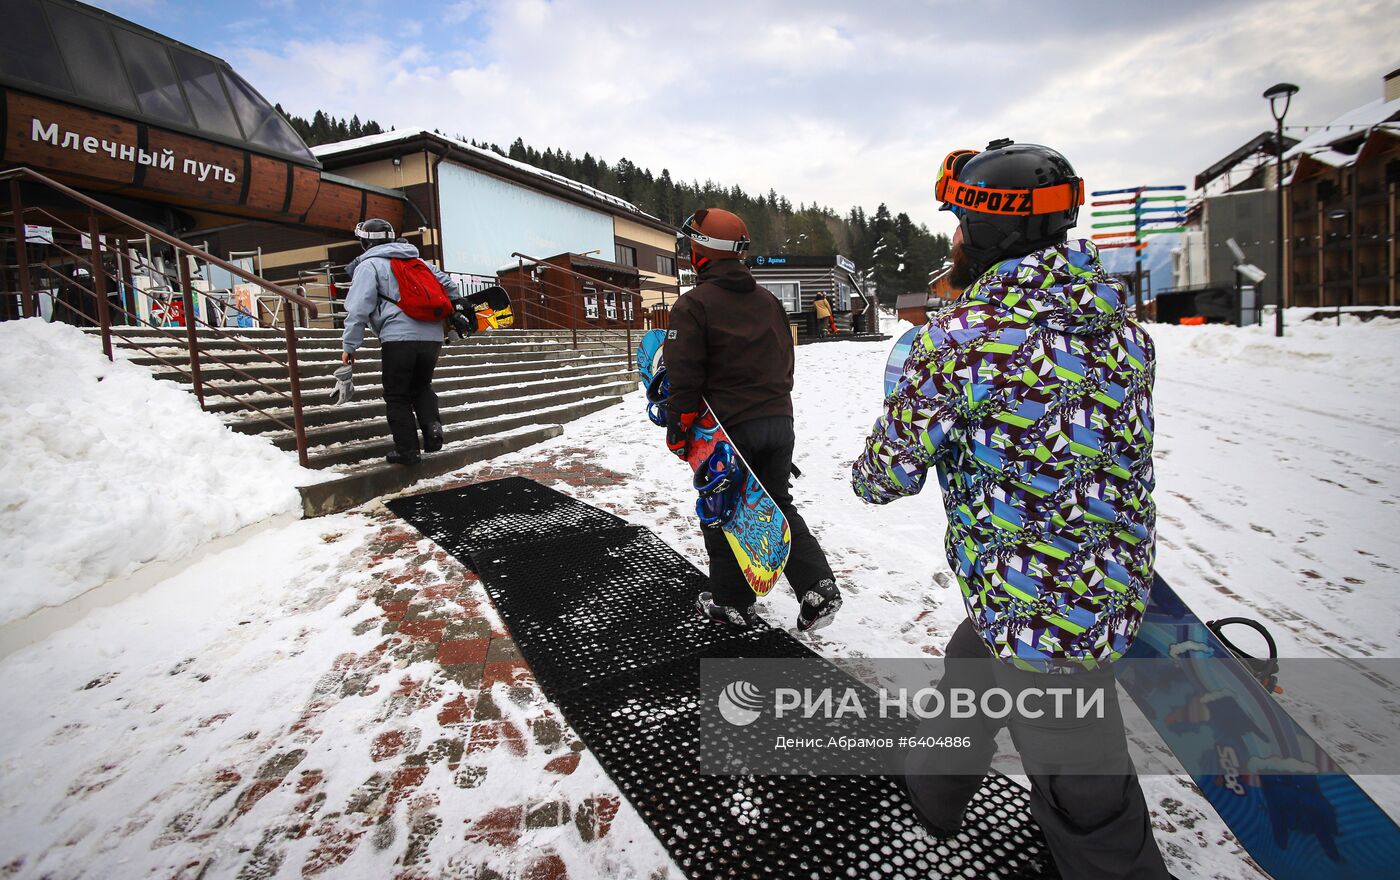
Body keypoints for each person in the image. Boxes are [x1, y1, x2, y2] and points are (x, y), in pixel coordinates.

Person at [850, 140, 1169, 878]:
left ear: (993, 230)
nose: (954, 236)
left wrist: (888, 440)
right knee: (973, 662)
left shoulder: (957, 343)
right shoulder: (1127, 335)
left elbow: (883, 477)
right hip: (1101, 579)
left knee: (1091, 798)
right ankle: (933, 789)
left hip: (1045, 617)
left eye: (960, 221)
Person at [665, 208, 842, 633]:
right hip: (778, 422)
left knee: (723, 511)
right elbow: (786, 362)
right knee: (777, 504)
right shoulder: (768, 302)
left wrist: (678, 428)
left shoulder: (693, 305)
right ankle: (817, 586)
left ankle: (732, 603)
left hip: (728, 430)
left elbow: (684, 376)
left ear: (702, 252)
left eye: (693, 245)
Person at [341, 218, 460, 465]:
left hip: (398, 337)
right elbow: (449, 285)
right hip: (432, 337)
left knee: (397, 395)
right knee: (422, 386)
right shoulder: (419, 263)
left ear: (365, 242)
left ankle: (407, 450)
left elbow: (358, 308)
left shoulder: (370, 265)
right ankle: (433, 430)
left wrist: (350, 345)